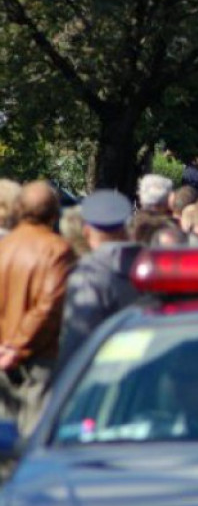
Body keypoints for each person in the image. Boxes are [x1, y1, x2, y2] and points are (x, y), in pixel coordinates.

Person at [0, 181, 75, 433]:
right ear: (54, 214)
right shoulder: (58, 249)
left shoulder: (4, 247)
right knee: (32, 438)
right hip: (37, 360)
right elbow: (49, 306)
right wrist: (17, 348)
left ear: (19, 210)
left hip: (3, 356)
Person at [57, 190, 144, 372]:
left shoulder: (88, 274)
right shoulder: (149, 265)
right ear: (126, 230)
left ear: (87, 232)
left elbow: (78, 339)